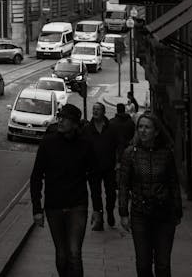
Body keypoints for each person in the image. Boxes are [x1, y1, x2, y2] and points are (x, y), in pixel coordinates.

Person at [30, 103, 95, 277]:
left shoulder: (85, 145)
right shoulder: (48, 143)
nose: (60, 121)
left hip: (77, 205)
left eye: (65, 119)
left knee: (74, 254)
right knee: (62, 255)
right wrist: (37, 209)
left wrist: (98, 209)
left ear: (75, 124)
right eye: (60, 117)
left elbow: (94, 178)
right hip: (54, 206)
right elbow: (36, 176)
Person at [118, 112, 182, 277]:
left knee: (162, 264)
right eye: (140, 127)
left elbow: (173, 183)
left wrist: (177, 210)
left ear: (156, 131)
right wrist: (123, 213)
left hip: (164, 214)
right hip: (140, 213)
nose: (143, 131)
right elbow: (123, 185)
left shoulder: (166, 153)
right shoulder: (130, 153)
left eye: (147, 127)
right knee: (143, 264)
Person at [84, 101, 118, 230]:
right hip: (93, 168)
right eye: (94, 109)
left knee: (110, 193)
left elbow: (119, 145)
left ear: (103, 112)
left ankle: (109, 211)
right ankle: (99, 219)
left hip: (109, 167)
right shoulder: (87, 128)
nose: (95, 111)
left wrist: (118, 162)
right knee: (95, 194)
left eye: (98, 109)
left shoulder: (111, 127)